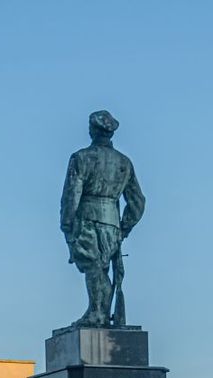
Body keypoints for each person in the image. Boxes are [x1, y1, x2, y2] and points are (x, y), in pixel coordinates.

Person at [60, 110, 146, 328]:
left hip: (87, 220)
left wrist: (67, 224)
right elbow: (138, 201)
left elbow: (72, 195)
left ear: (92, 130)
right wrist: (123, 227)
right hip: (112, 224)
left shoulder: (81, 158)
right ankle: (99, 312)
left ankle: (97, 313)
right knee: (101, 268)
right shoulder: (124, 162)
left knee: (94, 267)